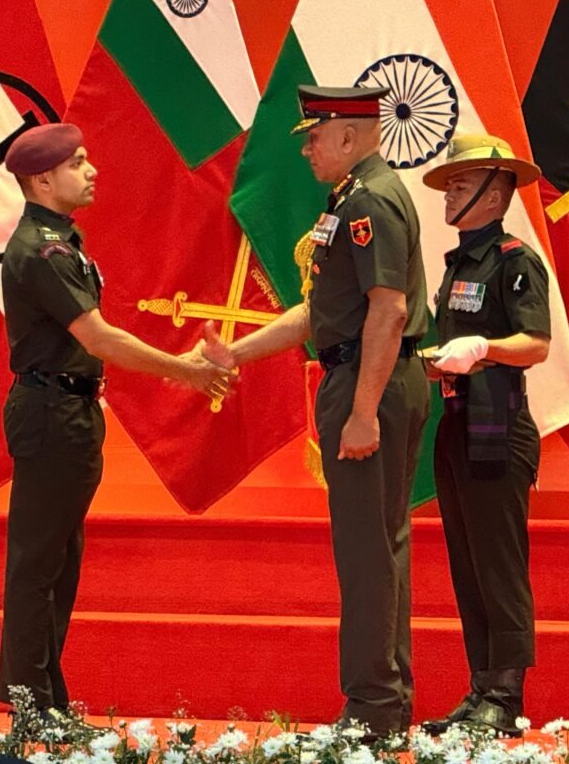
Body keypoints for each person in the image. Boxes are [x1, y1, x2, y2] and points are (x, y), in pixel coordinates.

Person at [0, 122, 233, 732]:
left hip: (68, 410)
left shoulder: (62, 241)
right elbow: (98, 337)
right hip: (51, 412)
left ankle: (47, 701)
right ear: (41, 180)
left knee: (59, 562)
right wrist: (183, 370)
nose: (92, 170)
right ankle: (29, 706)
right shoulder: (41, 252)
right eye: (78, 162)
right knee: (38, 564)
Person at [218, 86, 430, 740]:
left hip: (370, 380)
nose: (308, 149)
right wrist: (234, 353)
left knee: (367, 551)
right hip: (365, 374)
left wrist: (363, 411)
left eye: (314, 137)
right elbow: (319, 311)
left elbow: (389, 310)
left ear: (348, 135)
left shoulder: (369, 200)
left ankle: (372, 708)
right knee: (379, 547)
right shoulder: (349, 199)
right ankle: (384, 702)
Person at [418, 134, 550, 737]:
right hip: (456, 418)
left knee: (498, 562)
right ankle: (479, 689)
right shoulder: (458, 265)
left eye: (463, 185)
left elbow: (536, 344)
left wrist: (484, 348)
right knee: (467, 564)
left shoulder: (514, 260)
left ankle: (506, 693)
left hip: (498, 417)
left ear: (496, 196)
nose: (450, 195)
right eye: (449, 185)